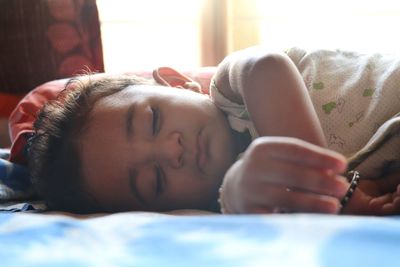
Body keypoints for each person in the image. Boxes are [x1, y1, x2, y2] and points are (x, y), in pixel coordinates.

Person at [8, 46, 400, 215]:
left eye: (153, 120)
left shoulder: (233, 86)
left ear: (177, 83)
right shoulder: (232, 202)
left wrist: (335, 191)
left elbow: (266, 66)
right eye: (155, 180)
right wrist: (234, 196)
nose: (171, 151)